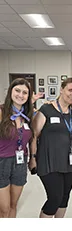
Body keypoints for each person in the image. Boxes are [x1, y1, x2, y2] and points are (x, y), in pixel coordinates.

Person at [28, 78, 72, 218]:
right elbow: (34, 135)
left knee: (64, 198)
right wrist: (32, 158)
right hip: (49, 161)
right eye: (70, 90)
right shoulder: (46, 109)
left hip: (70, 163)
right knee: (55, 198)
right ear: (61, 89)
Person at [0, 78, 34, 218]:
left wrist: (32, 158)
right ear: (10, 92)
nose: (21, 95)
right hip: (2, 162)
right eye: (17, 90)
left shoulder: (28, 115)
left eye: (25, 92)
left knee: (14, 205)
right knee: (4, 209)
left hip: (20, 163)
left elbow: (33, 138)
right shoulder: (2, 111)